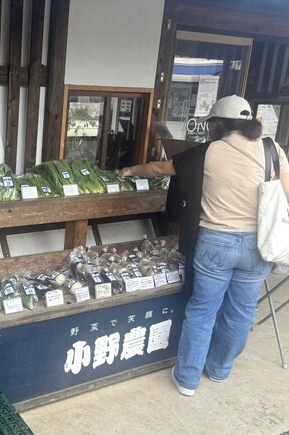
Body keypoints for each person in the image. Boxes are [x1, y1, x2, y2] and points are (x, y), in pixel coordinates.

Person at [121, 95, 289, 396]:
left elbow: (159, 169)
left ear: (219, 124)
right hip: (258, 245)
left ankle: (187, 379)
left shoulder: (209, 151)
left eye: (211, 123)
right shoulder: (272, 149)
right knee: (241, 313)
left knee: (202, 310)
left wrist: (131, 170)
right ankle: (220, 369)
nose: (209, 128)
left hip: (216, 242)